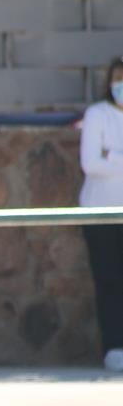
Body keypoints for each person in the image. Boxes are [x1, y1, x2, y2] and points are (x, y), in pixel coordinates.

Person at [79, 55, 123, 372]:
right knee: (109, 280)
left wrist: (113, 155)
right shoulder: (97, 115)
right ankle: (114, 348)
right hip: (101, 214)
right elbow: (91, 163)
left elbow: (105, 160)